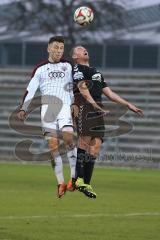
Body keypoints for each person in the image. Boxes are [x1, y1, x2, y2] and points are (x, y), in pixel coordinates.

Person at [71, 46, 143, 199]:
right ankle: (78, 179)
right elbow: (82, 88)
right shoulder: (77, 69)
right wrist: (94, 104)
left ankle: (87, 183)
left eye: (84, 48)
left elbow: (109, 93)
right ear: (75, 57)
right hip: (85, 106)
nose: (84, 50)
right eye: (80, 49)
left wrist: (128, 104)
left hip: (97, 108)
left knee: (95, 147)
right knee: (84, 142)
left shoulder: (96, 71)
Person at [17, 36, 77, 198]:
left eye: (61, 48)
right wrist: (24, 108)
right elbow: (31, 89)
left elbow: (77, 87)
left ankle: (74, 177)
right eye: (56, 47)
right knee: (52, 146)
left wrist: (75, 103)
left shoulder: (68, 66)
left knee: (68, 138)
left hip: (64, 107)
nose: (59, 51)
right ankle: (60, 183)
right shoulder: (40, 69)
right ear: (48, 48)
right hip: (48, 110)